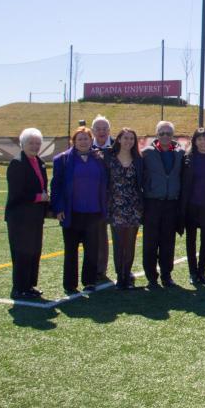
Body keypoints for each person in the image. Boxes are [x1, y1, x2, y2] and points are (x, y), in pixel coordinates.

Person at [51, 126, 107, 294]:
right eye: (80, 139)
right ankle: (70, 284)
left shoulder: (99, 158)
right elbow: (56, 186)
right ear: (73, 141)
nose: (83, 142)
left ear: (92, 141)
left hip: (94, 212)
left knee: (91, 250)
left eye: (86, 138)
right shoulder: (62, 160)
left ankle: (89, 281)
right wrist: (58, 207)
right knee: (71, 250)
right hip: (71, 212)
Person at [4, 128, 49, 299]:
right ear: (22, 144)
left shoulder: (40, 162)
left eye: (38, 143)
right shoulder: (17, 163)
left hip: (35, 217)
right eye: (31, 143)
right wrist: (40, 197)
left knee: (34, 251)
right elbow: (17, 193)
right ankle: (19, 288)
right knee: (22, 252)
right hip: (19, 218)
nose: (35, 146)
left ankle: (29, 285)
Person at [140, 121, 184, 289]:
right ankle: (151, 277)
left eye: (168, 133)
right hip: (152, 203)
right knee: (150, 243)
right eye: (161, 133)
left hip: (171, 204)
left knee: (168, 242)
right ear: (156, 135)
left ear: (173, 135)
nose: (165, 136)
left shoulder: (180, 153)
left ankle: (166, 275)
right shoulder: (146, 153)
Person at [179, 127, 205, 286]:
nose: (203, 142)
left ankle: (202, 271)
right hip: (191, 205)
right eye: (199, 139)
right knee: (191, 240)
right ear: (194, 141)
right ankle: (192, 271)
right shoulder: (187, 158)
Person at [105, 127, 144, 290]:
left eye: (131, 139)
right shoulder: (108, 157)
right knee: (118, 243)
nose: (128, 141)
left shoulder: (138, 159)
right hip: (116, 206)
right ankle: (119, 275)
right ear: (119, 139)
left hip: (134, 206)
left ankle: (126, 275)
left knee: (130, 243)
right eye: (125, 138)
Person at [91, 114, 114, 283]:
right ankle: (98, 271)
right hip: (95, 200)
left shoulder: (118, 146)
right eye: (98, 129)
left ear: (109, 130)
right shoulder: (84, 145)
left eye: (104, 129)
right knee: (98, 237)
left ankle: (123, 269)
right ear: (93, 131)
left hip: (117, 199)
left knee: (121, 236)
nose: (101, 132)